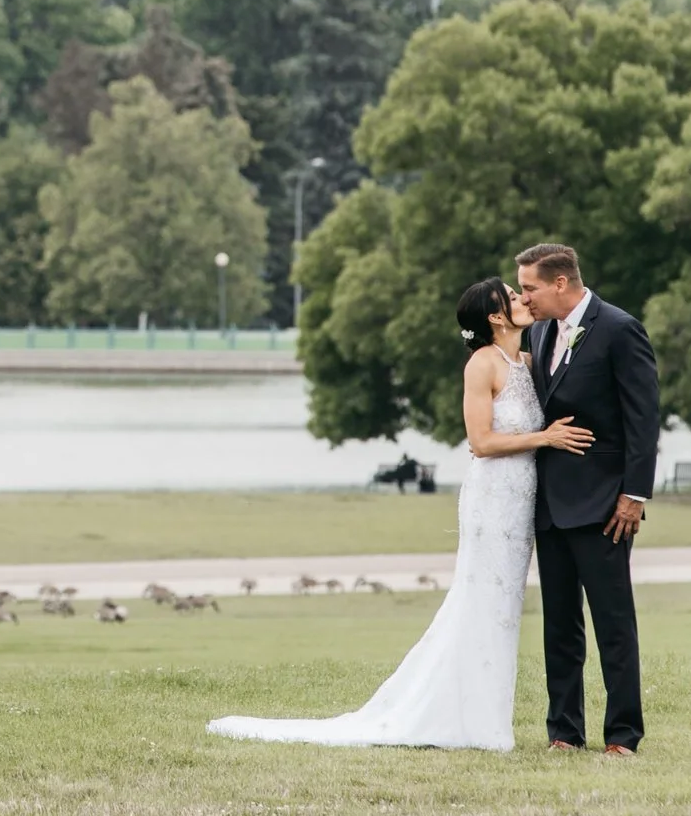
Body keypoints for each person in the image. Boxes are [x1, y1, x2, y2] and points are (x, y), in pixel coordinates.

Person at [208, 276, 593, 750]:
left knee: (504, 608)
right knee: (482, 600)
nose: (522, 299)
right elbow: (481, 442)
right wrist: (544, 438)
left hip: (521, 501)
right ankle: (469, 723)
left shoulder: (526, 361)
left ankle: (481, 717)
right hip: (492, 499)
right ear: (495, 316)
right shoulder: (482, 365)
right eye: (512, 297)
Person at [515, 242, 661, 755]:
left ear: (560, 283)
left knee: (613, 623)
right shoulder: (536, 331)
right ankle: (564, 733)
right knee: (560, 625)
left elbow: (644, 420)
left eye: (529, 287)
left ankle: (622, 736)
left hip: (605, 506)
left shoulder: (620, 329)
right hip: (550, 505)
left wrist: (634, 494)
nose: (524, 296)